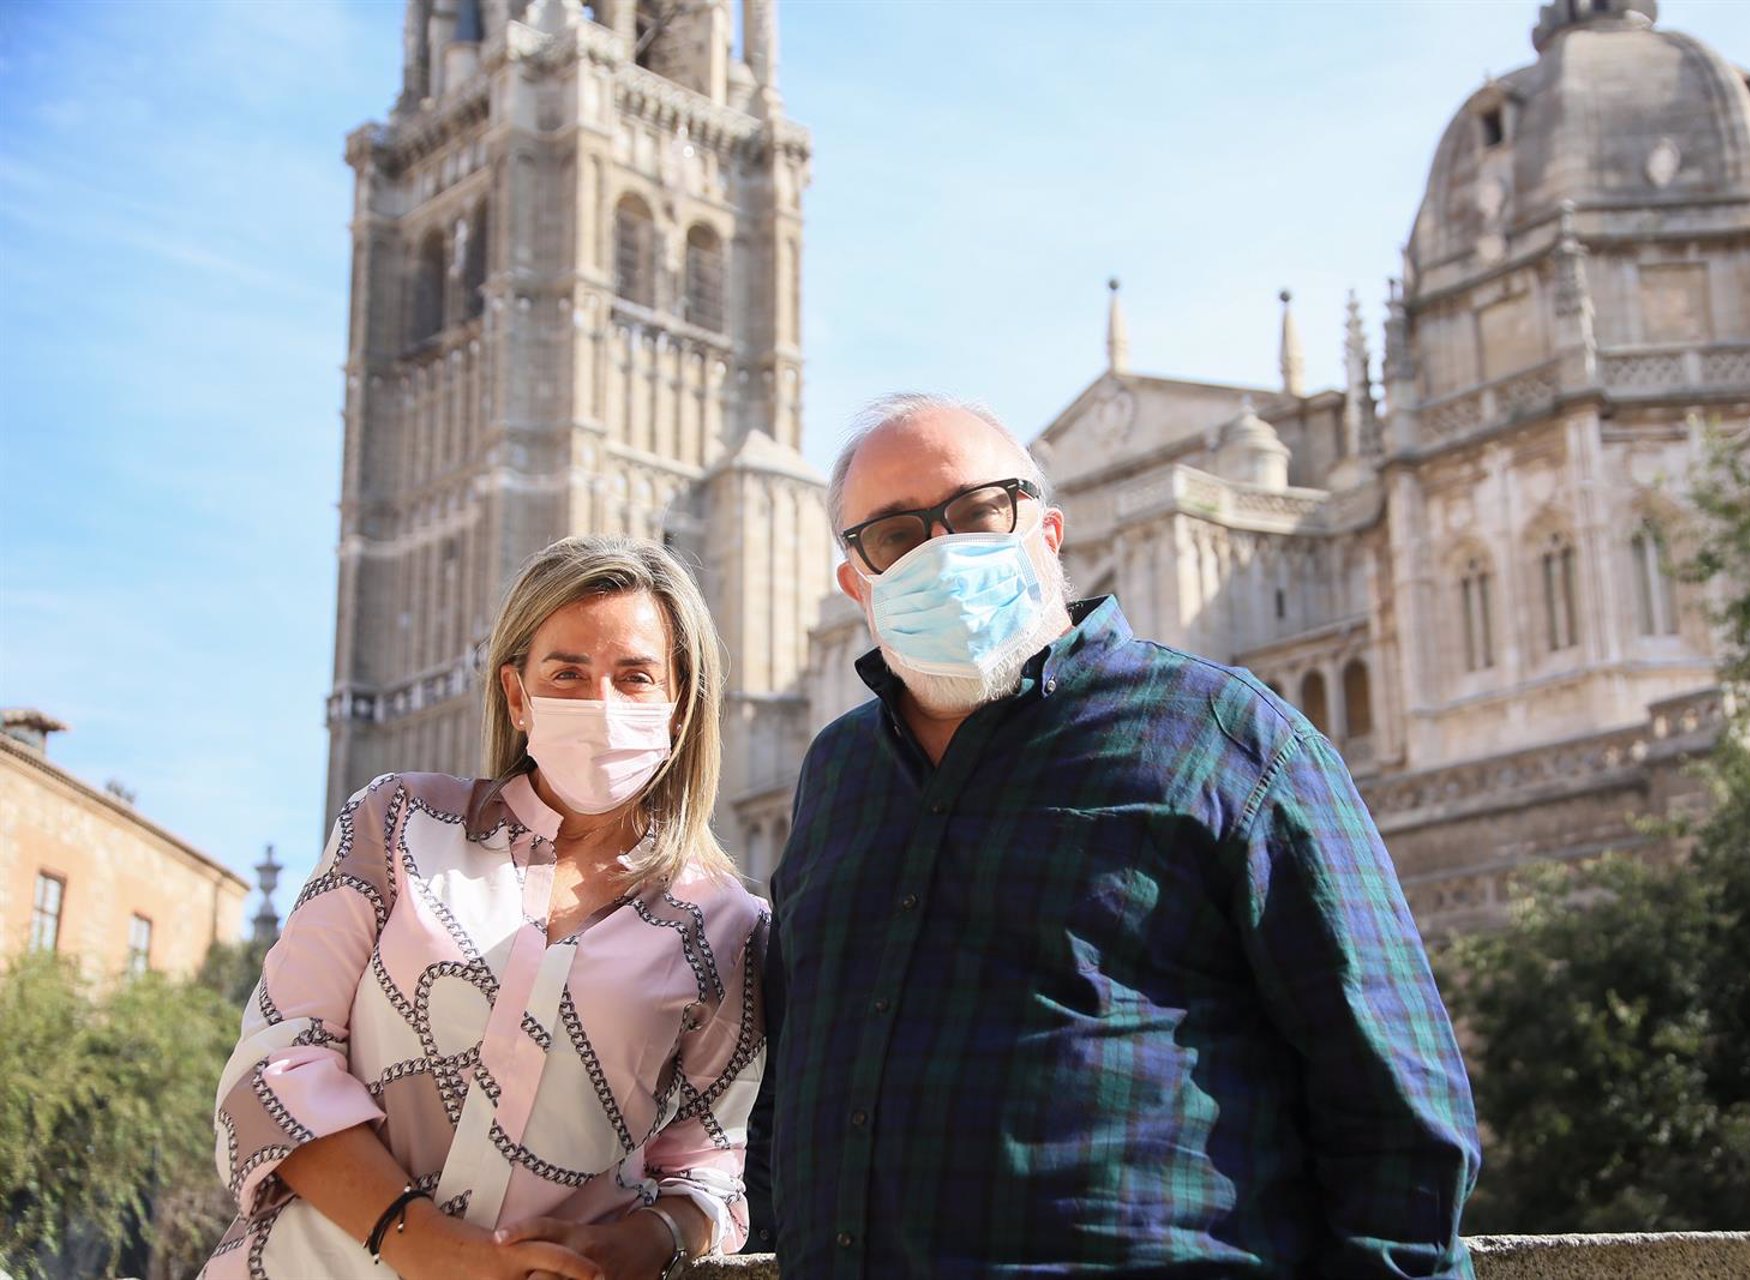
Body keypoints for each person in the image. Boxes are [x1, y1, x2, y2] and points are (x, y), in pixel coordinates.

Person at [746, 394, 1480, 1277]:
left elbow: (1394, 1104)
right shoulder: (836, 775)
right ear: (857, 582)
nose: (943, 552)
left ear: (1047, 534)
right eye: (897, 535)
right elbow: (788, 1078)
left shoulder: (1228, 735)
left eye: (979, 512)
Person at [206, 535, 767, 1280]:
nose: (601, 702)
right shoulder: (396, 824)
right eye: (568, 673)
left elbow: (710, 1170)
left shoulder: (727, 928)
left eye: (635, 677)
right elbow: (275, 1066)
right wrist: (424, 1244)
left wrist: (645, 1242)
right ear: (516, 695)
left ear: (678, 705)